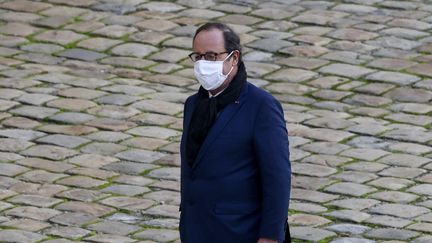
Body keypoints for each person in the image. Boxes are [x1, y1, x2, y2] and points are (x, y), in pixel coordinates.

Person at [179, 22, 291, 243]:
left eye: (212, 56)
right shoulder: (193, 105)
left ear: (234, 58)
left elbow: (277, 177)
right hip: (196, 230)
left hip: (240, 232)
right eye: (198, 56)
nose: (204, 64)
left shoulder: (261, 107)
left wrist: (270, 236)